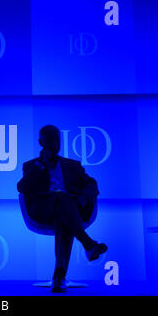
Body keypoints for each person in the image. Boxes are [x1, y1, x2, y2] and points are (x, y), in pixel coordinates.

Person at [17, 125, 107, 293]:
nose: (53, 144)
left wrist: (82, 196)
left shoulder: (72, 165)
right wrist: (40, 165)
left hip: (70, 211)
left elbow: (92, 184)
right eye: (49, 141)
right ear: (41, 142)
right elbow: (22, 188)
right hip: (43, 212)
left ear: (60, 141)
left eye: (56, 140)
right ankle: (88, 243)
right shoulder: (31, 165)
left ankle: (58, 277)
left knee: (63, 213)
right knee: (61, 199)